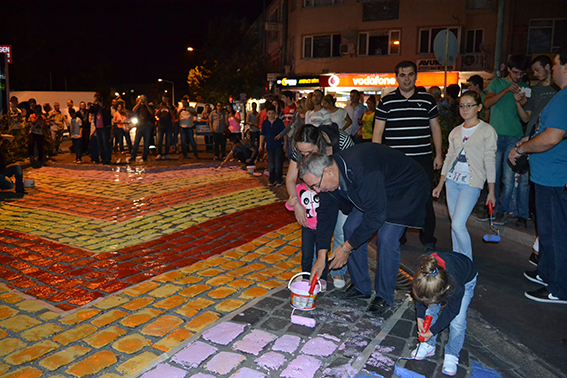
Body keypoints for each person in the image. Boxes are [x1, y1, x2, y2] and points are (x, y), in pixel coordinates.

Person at [300, 143, 429, 315]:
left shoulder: (361, 168)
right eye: (312, 188)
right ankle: (361, 287)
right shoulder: (329, 178)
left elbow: (376, 216)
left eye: (316, 185)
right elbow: (325, 214)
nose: (316, 191)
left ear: (328, 171)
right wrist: (321, 255)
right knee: (350, 227)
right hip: (377, 188)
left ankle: (384, 296)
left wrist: (346, 248)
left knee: (386, 238)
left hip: (404, 188)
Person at [508, 45, 567, 305]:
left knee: (556, 234)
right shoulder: (560, 95)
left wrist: (522, 148)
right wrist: (529, 139)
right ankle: (547, 274)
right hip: (546, 177)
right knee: (546, 231)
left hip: (557, 178)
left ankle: (560, 287)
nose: (553, 68)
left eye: (555, 63)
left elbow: (552, 137)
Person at [373, 60, 443, 252]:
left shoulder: (427, 100)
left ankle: (428, 237)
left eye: (410, 74)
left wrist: (439, 155)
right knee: (396, 198)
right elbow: (378, 132)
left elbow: (435, 128)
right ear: (396, 78)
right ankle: (399, 236)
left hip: (422, 158)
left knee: (425, 198)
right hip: (396, 161)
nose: (406, 79)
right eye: (402, 75)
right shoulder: (386, 102)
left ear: (416, 76)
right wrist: (375, 158)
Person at [286, 124, 354, 288]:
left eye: (308, 153)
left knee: (340, 230)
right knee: (319, 231)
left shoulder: (342, 141)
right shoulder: (302, 147)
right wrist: (296, 203)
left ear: (320, 144)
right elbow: (290, 179)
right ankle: (315, 272)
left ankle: (337, 271)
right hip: (318, 193)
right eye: (302, 153)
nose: (305, 155)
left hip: (341, 190)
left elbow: (354, 169)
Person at [432, 92, 497, 259]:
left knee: (458, 224)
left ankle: (467, 263)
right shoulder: (455, 131)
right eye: (462, 105)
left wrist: (491, 190)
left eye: (470, 105)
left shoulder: (487, 131)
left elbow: (490, 160)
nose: (465, 109)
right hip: (452, 183)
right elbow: (448, 158)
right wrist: (440, 184)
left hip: (471, 183)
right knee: (455, 226)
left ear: (479, 107)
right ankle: (457, 261)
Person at [411, 252, 477, 376]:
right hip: (439, 280)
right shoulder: (424, 274)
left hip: (467, 278)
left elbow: (452, 311)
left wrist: (432, 331)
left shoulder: (455, 284)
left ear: (446, 289)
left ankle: (452, 353)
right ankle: (429, 345)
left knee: (458, 321)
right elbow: (421, 295)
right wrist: (420, 318)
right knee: (430, 310)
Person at [513, 55, 559, 228]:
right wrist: (518, 103)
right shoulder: (535, 90)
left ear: (548, 67)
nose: (535, 74)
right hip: (532, 137)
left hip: (550, 140)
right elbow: (526, 117)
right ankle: (525, 214)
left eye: (538, 70)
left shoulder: (559, 91)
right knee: (526, 179)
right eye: (533, 71)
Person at [483, 55, 529, 225]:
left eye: (522, 73)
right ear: (509, 69)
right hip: (494, 135)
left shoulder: (524, 87)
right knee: (492, 174)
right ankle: (490, 207)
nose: (518, 77)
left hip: (514, 136)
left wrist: (521, 101)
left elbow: (525, 116)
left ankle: (502, 210)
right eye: (516, 72)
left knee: (509, 178)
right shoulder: (497, 83)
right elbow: (487, 103)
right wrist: (507, 90)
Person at [259, 104, 285, 187]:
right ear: (266, 114)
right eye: (269, 113)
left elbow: (284, 133)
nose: (271, 115)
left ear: (275, 113)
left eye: (272, 113)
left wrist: (285, 144)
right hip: (269, 145)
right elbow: (262, 134)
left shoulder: (279, 122)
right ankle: (271, 179)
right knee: (271, 163)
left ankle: (279, 179)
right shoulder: (265, 123)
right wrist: (261, 145)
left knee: (278, 163)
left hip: (278, 145)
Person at [130, 94, 155, 162]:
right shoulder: (138, 106)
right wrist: (139, 103)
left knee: (146, 142)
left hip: (147, 125)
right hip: (140, 125)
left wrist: (146, 104)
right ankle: (133, 156)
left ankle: (145, 156)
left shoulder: (149, 105)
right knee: (136, 141)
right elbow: (134, 110)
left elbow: (152, 113)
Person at [89, 93, 112, 164]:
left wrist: (101, 104)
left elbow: (107, 112)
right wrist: (93, 103)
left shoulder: (106, 106)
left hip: (105, 127)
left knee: (106, 144)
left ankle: (108, 159)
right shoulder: (96, 107)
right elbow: (91, 111)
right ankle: (103, 158)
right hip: (98, 128)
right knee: (100, 144)